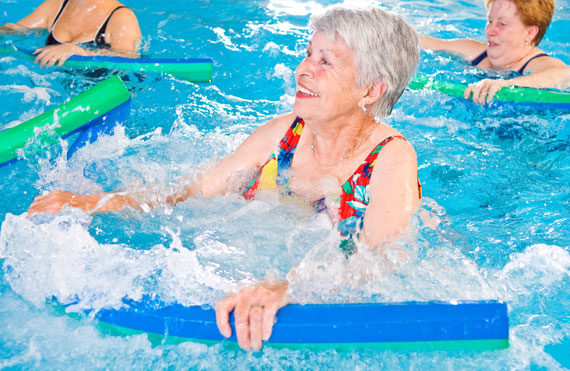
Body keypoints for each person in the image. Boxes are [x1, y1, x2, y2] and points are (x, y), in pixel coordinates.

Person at [27, 5, 421, 351]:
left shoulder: (390, 158)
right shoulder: (285, 134)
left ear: (371, 89)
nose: (303, 70)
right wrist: (97, 202)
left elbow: (377, 265)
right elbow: (190, 192)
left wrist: (292, 287)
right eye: (307, 55)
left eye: (326, 62)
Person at [421, 0, 570, 105]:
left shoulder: (538, 64)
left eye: (502, 24)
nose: (490, 31)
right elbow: (420, 42)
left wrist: (507, 84)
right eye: (490, 21)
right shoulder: (475, 53)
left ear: (530, 32)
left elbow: (564, 75)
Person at [0, 0, 141, 67]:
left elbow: (129, 57)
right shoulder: (58, 4)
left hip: (103, 92)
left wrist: (79, 51)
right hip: (54, 88)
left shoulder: (122, 16)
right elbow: (16, 30)